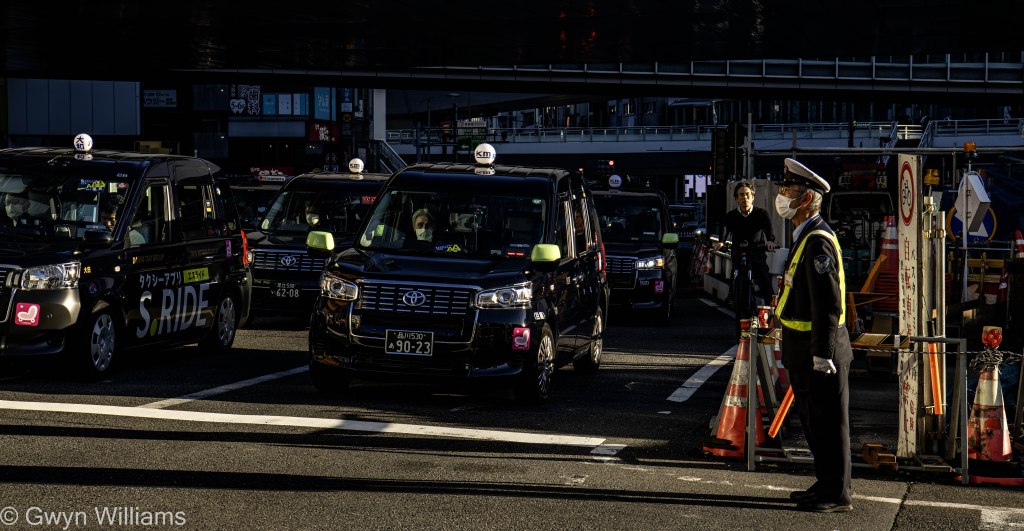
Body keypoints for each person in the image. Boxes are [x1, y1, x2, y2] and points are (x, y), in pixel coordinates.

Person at [774, 158, 854, 513]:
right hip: (803, 348)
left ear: (806, 199)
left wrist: (822, 353)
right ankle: (825, 484)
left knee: (830, 424)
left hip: (820, 352)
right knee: (814, 423)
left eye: (787, 190)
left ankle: (837, 494)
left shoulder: (818, 240)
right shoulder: (804, 235)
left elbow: (828, 304)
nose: (781, 196)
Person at [723, 182, 777, 309]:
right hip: (738, 250)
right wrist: (721, 241)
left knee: (763, 277)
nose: (744, 197)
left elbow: (769, 230)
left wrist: (770, 240)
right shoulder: (731, 215)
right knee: (735, 271)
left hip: (756, 250)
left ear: (753, 197)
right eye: (741, 195)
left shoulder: (761, 213)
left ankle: (773, 308)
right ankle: (731, 295)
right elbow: (724, 231)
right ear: (737, 198)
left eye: (747, 194)